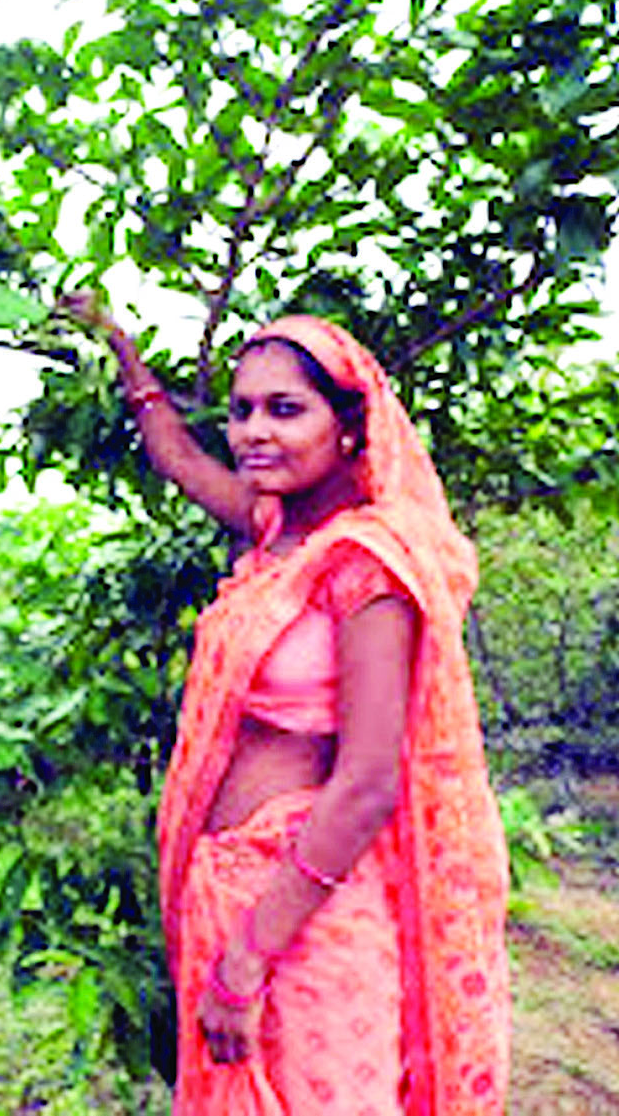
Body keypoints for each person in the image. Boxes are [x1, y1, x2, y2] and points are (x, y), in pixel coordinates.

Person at [69, 300, 510, 1113]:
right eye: (241, 411)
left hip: (307, 910)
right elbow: (176, 457)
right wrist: (120, 352)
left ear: (348, 426)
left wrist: (249, 955)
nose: (252, 432)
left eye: (285, 408)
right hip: (223, 889)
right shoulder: (274, 530)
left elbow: (370, 781)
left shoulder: (366, 568)